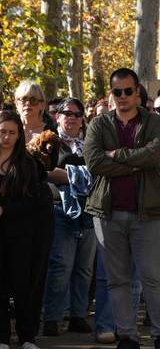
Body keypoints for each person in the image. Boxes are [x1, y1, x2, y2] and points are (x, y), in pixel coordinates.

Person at [84, 68, 160, 349]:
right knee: (117, 281)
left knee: (152, 279)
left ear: (137, 93)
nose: (122, 97)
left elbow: (155, 155)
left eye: (127, 91)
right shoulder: (99, 125)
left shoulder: (153, 122)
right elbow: (95, 163)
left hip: (144, 211)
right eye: (117, 92)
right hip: (107, 213)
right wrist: (135, 161)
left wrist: (118, 155)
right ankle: (127, 339)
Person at [0, 110, 53, 349]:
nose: (7, 137)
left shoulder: (27, 165)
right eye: (2, 132)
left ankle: (27, 337)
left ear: (19, 135)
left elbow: (37, 202)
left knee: (24, 285)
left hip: (21, 235)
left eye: (12, 132)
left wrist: (7, 209)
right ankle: (2, 339)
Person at [42, 97, 96, 336]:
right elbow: (45, 171)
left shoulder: (87, 145)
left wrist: (73, 175)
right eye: (67, 113)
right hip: (59, 210)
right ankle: (52, 318)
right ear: (58, 117)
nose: (72, 118)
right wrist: (78, 175)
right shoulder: (49, 143)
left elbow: (98, 172)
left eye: (76, 114)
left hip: (88, 210)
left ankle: (77, 315)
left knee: (84, 268)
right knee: (61, 265)